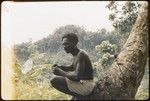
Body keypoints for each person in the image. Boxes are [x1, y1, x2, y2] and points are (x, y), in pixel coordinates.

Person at [50, 33, 95, 99]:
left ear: (74, 43)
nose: (64, 47)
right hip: (83, 83)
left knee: (54, 80)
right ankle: (76, 96)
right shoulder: (76, 54)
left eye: (66, 44)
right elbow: (72, 68)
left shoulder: (81, 55)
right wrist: (60, 67)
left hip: (87, 86)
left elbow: (77, 77)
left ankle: (80, 97)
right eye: (63, 44)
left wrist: (61, 72)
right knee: (58, 78)